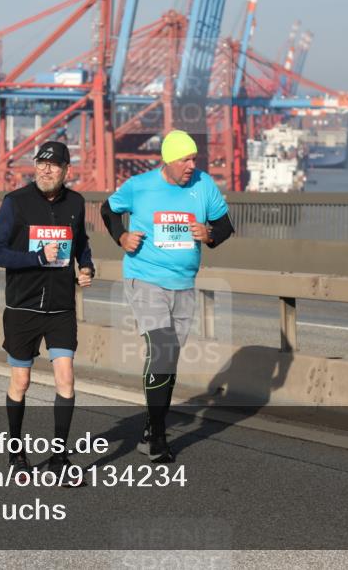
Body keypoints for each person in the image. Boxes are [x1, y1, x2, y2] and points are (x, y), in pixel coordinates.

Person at [100, 129, 235, 462]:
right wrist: (121, 237)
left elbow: (226, 226)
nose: (191, 165)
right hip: (144, 279)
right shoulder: (140, 185)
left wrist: (211, 234)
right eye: (185, 159)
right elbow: (108, 209)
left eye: (194, 159)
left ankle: (151, 424)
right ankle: (157, 437)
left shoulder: (203, 185)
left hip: (184, 283)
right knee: (162, 349)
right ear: (168, 159)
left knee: (168, 358)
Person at [0, 141, 94, 485]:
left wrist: (87, 267)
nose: (46, 170)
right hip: (23, 307)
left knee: (66, 378)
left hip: (62, 307)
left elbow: (81, 244)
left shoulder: (76, 203)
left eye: (54, 165)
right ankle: (16, 452)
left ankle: (60, 458)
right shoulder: (15, 203)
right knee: (22, 380)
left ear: (66, 171)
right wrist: (36, 258)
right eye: (41, 164)